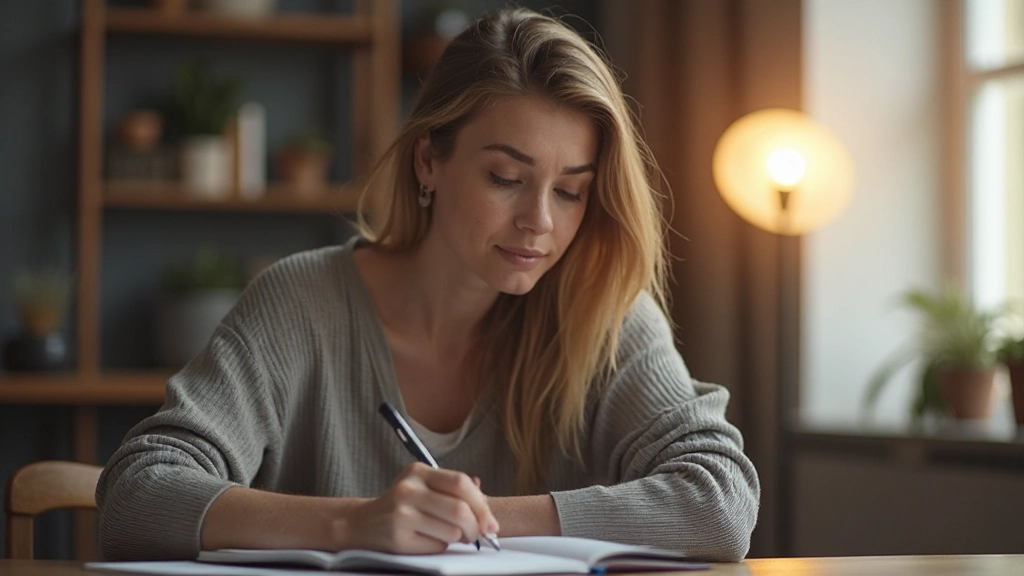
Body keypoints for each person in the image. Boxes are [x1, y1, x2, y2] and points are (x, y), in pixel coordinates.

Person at [96, 7, 759, 563]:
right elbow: (137, 495)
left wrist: (473, 519)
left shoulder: (602, 310)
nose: (539, 221)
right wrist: (356, 524)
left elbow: (720, 501)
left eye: (572, 190)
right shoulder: (300, 303)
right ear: (428, 161)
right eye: (505, 178)